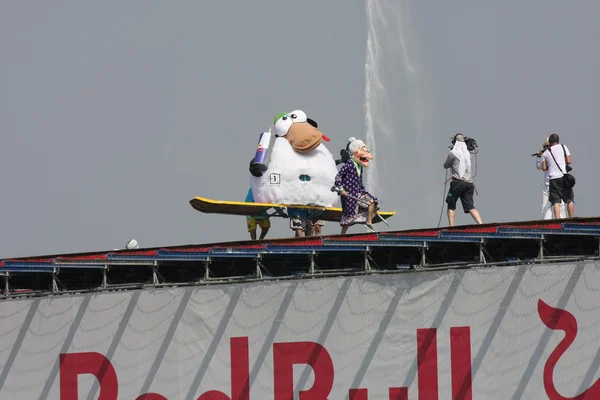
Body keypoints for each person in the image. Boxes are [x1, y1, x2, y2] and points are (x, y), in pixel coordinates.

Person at [334, 137, 378, 234]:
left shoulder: (360, 166)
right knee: (348, 217)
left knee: (372, 202)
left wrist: (362, 190)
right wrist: (341, 189)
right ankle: (342, 235)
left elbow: (358, 181)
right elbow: (338, 177)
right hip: (349, 194)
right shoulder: (349, 164)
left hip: (359, 192)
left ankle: (369, 222)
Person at [443, 133, 483, 226]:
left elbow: (445, 165)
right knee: (470, 207)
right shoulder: (468, 154)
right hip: (469, 184)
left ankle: (451, 227)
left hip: (457, 183)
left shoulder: (453, 153)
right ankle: (481, 224)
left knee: (451, 204)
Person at [541, 133, 574, 218]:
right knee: (569, 199)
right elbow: (569, 161)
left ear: (550, 142)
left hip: (553, 179)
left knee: (556, 201)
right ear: (558, 141)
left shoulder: (546, 153)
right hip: (563, 176)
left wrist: (550, 164)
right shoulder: (563, 147)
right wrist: (562, 162)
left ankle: (558, 220)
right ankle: (571, 218)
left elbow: (544, 168)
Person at [535, 137, 566, 219]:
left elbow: (542, 168)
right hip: (550, 184)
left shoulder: (546, 155)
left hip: (552, 183)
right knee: (548, 207)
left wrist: (541, 157)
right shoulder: (551, 155)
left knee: (557, 206)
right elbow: (539, 167)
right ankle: (549, 225)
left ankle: (556, 224)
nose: (544, 148)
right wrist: (538, 157)